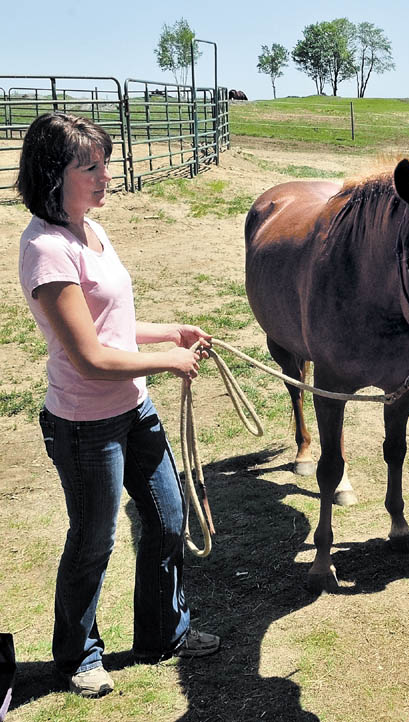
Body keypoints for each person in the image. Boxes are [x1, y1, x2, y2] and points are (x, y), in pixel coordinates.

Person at [16, 113, 219, 699]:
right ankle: (78, 655)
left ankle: (164, 636)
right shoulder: (47, 250)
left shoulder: (91, 231)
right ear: (54, 175)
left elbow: (116, 327)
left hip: (134, 410)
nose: (106, 176)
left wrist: (169, 332)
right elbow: (90, 357)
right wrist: (170, 363)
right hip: (85, 425)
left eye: (106, 163)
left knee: (167, 520)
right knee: (94, 539)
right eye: (91, 168)